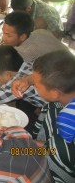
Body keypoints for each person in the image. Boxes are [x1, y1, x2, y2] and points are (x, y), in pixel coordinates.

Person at [28, 50, 75, 182]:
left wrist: (19, 147)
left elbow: (54, 150)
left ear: (55, 93)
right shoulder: (66, 95)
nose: (34, 87)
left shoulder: (66, 122)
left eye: (36, 85)